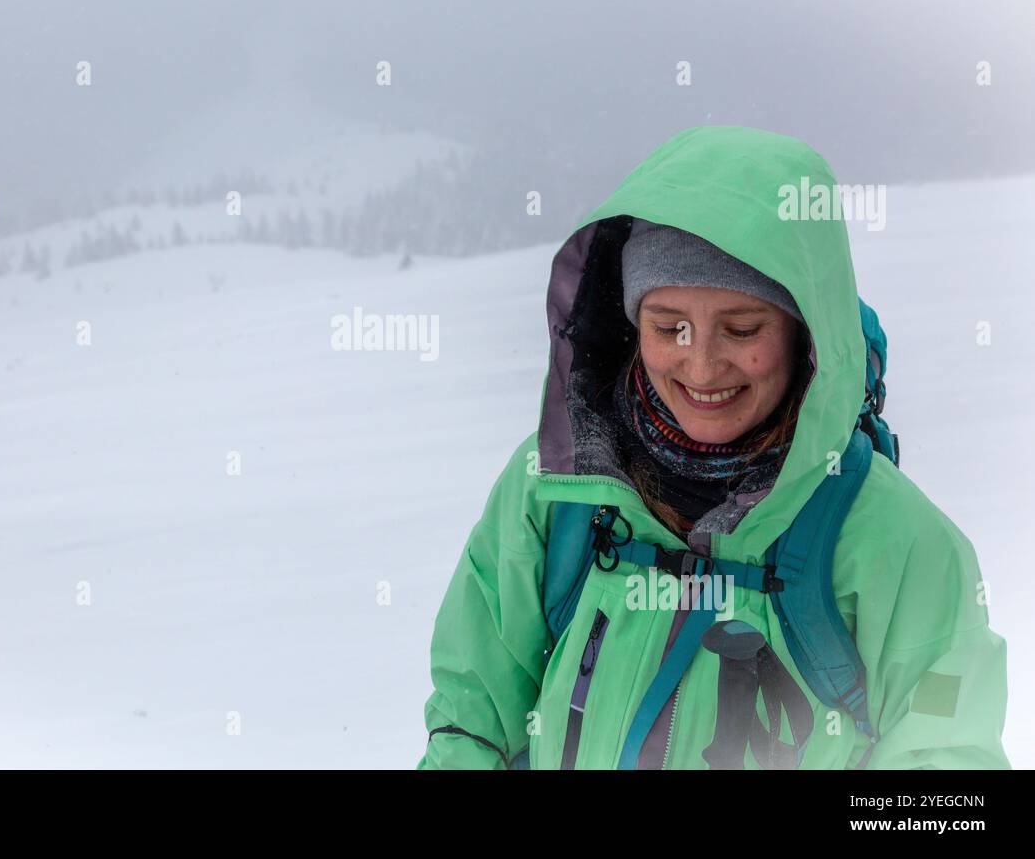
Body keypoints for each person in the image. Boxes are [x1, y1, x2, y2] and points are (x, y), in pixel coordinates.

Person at [417, 126, 1010, 769]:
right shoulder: (556, 488)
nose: (701, 367)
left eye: (742, 328)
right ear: (630, 321)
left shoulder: (895, 540)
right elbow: (471, 719)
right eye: (668, 326)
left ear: (805, 332)